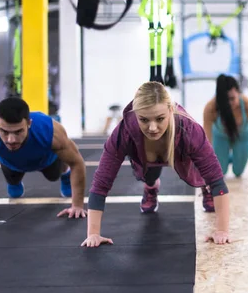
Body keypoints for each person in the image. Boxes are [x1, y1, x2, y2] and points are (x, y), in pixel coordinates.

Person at [82, 81, 231, 248]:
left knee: (202, 172)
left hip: (181, 151)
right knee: (148, 175)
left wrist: (222, 230)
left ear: (170, 110)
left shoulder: (189, 129)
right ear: (135, 114)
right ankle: (151, 187)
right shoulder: (123, 132)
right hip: (146, 157)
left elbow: (217, 180)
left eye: (160, 119)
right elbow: (101, 183)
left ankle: (205, 188)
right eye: (144, 119)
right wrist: (93, 234)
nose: (152, 127)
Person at [0, 97, 87, 222]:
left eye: (18, 131)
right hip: (11, 163)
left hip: (46, 160)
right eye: (4, 132)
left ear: (29, 123)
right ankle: (14, 182)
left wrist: (77, 205)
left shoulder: (49, 130)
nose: (11, 140)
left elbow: (76, 162)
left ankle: (65, 175)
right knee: (14, 193)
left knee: (55, 174)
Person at [202, 74, 248, 186]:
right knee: (220, 171)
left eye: (232, 98)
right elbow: (206, 145)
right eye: (225, 100)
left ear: (239, 93)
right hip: (220, 137)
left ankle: (232, 157)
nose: (229, 104)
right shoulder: (210, 108)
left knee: (238, 171)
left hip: (242, 137)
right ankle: (224, 158)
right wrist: (207, 178)